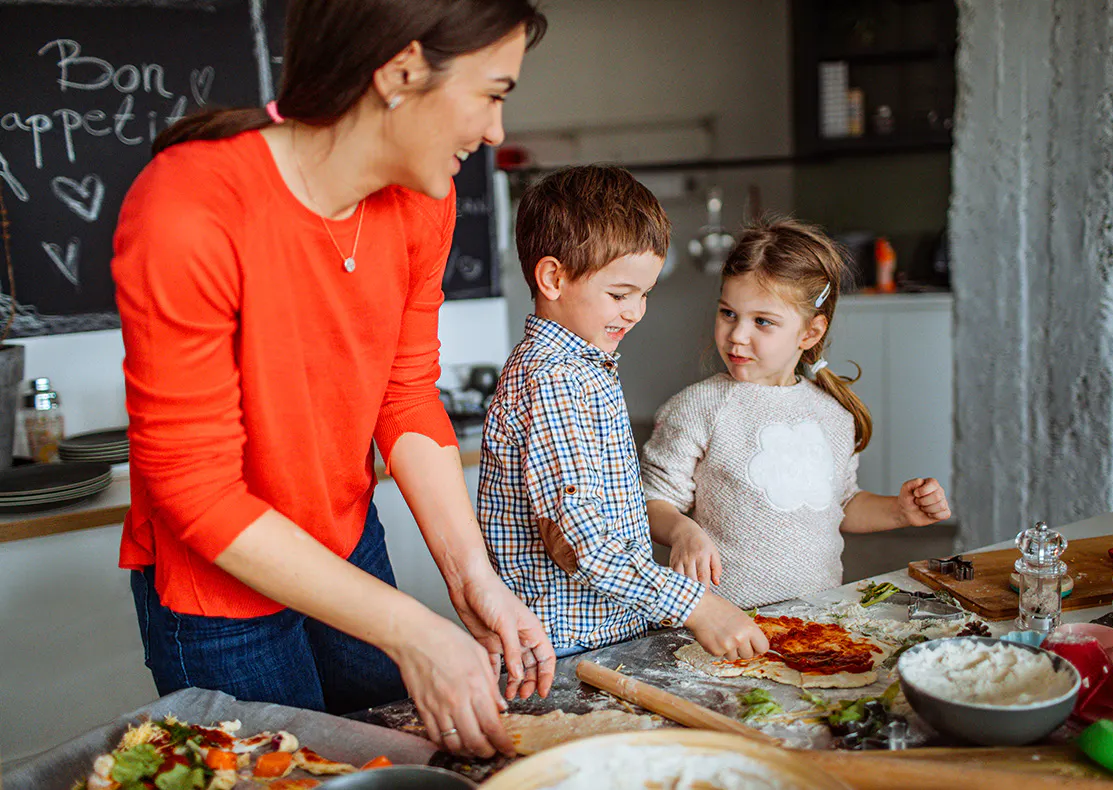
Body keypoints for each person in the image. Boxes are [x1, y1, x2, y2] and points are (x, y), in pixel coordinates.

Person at [112, 0, 552, 759]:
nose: (495, 133)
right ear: (402, 72)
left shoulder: (424, 200)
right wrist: (413, 631)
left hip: (348, 544)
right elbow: (196, 490)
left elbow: (406, 391)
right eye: (493, 92)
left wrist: (472, 575)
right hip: (217, 593)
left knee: (399, 757)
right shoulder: (188, 207)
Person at [476, 165, 769, 659]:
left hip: (602, 631)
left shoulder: (583, 365)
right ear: (553, 277)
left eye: (644, 295)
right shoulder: (554, 380)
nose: (636, 312)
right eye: (619, 295)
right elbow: (583, 541)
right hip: (566, 647)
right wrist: (698, 607)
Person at [642, 219, 952, 609]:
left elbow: (840, 505)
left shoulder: (832, 415)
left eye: (762, 321)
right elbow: (653, 502)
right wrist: (683, 530)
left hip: (816, 618)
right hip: (722, 623)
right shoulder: (699, 407)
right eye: (728, 313)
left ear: (810, 333)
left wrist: (899, 511)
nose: (737, 334)